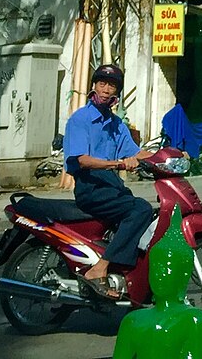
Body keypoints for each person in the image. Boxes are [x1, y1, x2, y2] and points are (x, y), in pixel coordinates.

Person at [64, 63, 149, 298]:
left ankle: (122, 273)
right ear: (94, 86)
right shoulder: (80, 119)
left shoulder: (116, 124)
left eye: (112, 86)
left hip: (112, 185)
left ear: (117, 93)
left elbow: (137, 152)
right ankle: (99, 269)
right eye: (102, 83)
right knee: (140, 209)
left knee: (143, 211)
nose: (106, 89)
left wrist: (170, 155)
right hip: (90, 187)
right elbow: (82, 161)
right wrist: (119, 164)